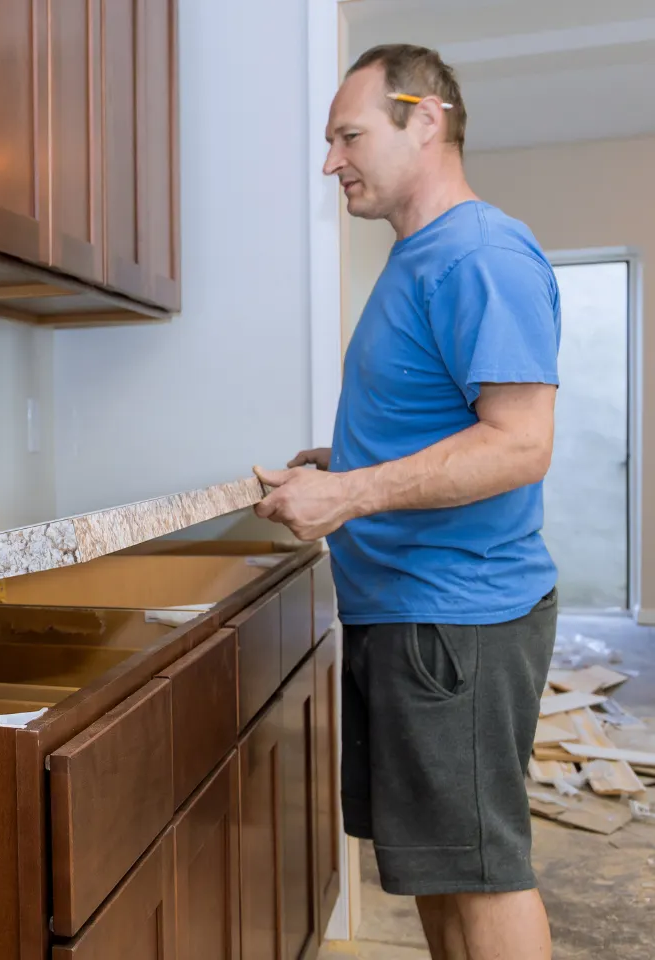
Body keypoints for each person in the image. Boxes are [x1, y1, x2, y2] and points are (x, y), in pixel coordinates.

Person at [255, 44, 560, 960]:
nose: (330, 161)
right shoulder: (420, 258)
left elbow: (519, 442)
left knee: (482, 876)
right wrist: (341, 457)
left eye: (348, 135)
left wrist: (347, 492)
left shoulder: (478, 253)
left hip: (455, 620)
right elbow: (444, 418)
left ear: (424, 120)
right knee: (439, 872)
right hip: (415, 618)